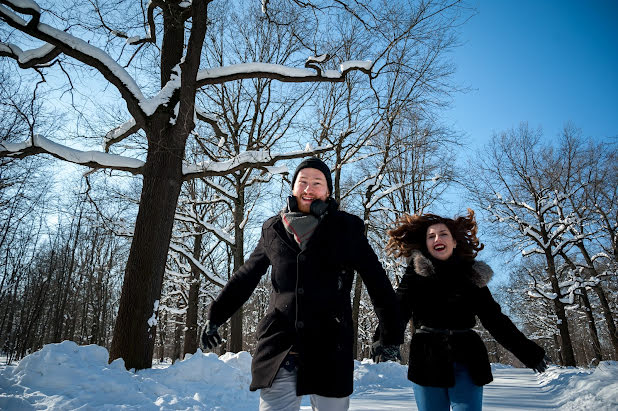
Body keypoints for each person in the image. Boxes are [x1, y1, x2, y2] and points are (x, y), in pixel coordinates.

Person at [202, 157, 402, 411]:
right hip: (280, 346)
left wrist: (390, 335)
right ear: (293, 188)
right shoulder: (273, 229)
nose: (309, 188)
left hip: (330, 347)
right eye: (303, 182)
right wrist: (216, 315)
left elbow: (378, 282)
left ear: (328, 191)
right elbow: (247, 275)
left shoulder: (347, 229)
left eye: (317, 183)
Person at [372, 209, 549, 411]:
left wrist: (529, 353)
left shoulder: (472, 275)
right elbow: (398, 309)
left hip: (468, 358)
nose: (437, 238)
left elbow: (495, 319)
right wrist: (387, 341)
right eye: (431, 236)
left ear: (455, 242)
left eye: (443, 234)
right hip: (426, 358)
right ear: (427, 244)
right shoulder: (415, 274)